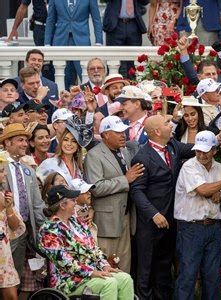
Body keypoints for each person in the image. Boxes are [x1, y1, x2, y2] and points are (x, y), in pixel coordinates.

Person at [130, 114, 194, 299]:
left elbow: (195, 148)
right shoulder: (142, 157)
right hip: (151, 224)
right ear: (157, 131)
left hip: (171, 220)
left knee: (164, 266)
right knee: (146, 268)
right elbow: (137, 192)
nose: (171, 125)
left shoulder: (173, 146)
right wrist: (154, 214)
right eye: (167, 123)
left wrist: (219, 137)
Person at [38, 185, 134, 298]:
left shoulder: (76, 222)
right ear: (62, 205)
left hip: (92, 271)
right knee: (109, 283)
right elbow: (65, 262)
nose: (75, 203)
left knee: (125, 279)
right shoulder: (49, 230)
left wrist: (104, 265)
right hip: (68, 280)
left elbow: (93, 247)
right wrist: (91, 273)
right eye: (72, 200)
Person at [174, 130, 221, 299]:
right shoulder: (189, 166)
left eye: (205, 151)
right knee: (188, 274)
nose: (201, 154)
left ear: (214, 151)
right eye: (198, 151)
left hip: (213, 227)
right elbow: (202, 190)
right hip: (191, 228)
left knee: (212, 276)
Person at [85, 116, 143, 273]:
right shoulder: (93, 155)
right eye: (117, 132)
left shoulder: (125, 151)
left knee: (125, 267)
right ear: (104, 135)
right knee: (108, 268)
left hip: (126, 217)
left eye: (123, 131)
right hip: (106, 223)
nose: (122, 135)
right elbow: (96, 187)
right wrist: (125, 179)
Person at [0, 124, 45, 277]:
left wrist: (45, 228)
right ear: (7, 142)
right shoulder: (0, 166)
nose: (25, 144)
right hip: (3, 230)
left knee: (15, 276)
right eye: (20, 140)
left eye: (26, 140)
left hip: (23, 230)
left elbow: (37, 205)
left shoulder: (29, 171)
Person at [45, 0, 103, 89]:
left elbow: (97, 19)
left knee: (85, 75)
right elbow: (50, 20)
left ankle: (91, 100)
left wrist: (98, 41)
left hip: (82, 41)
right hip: (60, 41)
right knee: (63, 76)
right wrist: (47, 43)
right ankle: (63, 101)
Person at [0, 151, 26, 300]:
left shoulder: (4, 196)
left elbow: (16, 227)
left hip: (4, 256)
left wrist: (9, 207)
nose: (4, 175)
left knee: (10, 296)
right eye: (1, 171)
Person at [103, 0, 151, 77]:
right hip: (115, 25)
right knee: (114, 60)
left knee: (134, 61)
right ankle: (114, 85)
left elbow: (145, 1)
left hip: (134, 24)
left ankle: (133, 86)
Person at [38, 117, 91, 183]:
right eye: (66, 140)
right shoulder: (49, 163)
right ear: (61, 142)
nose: (69, 144)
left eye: (74, 141)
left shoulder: (80, 166)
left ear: (78, 146)